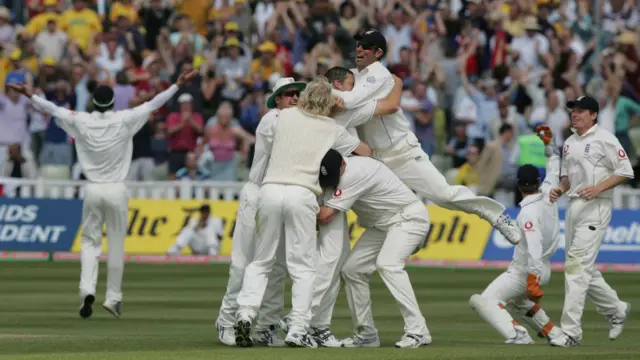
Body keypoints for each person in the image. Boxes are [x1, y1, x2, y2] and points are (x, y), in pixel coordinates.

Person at [8, 69, 198, 319]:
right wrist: (176, 84)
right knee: (116, 244)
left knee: (90, 243)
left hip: (93, 189)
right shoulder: (124, 119)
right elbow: (153, 104)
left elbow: (52, 109)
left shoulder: (81, 120)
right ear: (112, 102)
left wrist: (29, 94)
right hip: (117, 189)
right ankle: (113, 298)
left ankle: (86, 289)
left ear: (93, 103)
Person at [330, 29, 521, 246]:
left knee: (443, 195)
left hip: (402, 152)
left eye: (365, 46)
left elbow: (351, 100)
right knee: (371, 206)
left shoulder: (379, 74)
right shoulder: (353, 75)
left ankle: (495, 215)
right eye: (357, 45)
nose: (359, 49)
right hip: (377, 158)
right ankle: (409, 239)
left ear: (378, 52)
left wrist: (323, 93)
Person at [234, 79, 371, 348]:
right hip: (303, 193)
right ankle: (297, 327)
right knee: (302, 267)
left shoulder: (283, 115)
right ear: (329, 102)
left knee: (261, 261)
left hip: (270, 189)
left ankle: (246, 314)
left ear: (304, 97)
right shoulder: (332, 127)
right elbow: (364, 151)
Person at [279, 67, 405, 347]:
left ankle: (316, 326)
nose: (353, 91)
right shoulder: (332, 123)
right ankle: (301, 319)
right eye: (350, 85)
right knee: (331, 257)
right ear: (335, 90)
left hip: (299, 189)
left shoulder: (293, 118)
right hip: (323, 190)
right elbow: (368, 148)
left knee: (333, 258)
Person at [216, 77, 306, 348]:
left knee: (278, 266)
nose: (294, 98)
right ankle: (226, 320)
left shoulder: (300, 122)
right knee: (244, 263)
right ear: (276, 99)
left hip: (280, 196)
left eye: (297, 94)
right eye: (288, 94)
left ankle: (266, 327)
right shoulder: (272, 118)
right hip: (258, 193)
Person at [316, 149, 431, 348]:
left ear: (343, 164)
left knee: (388, 264)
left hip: (408, 218)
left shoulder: (355, 173)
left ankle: (418, 331)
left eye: (335, 177)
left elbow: (325, 216)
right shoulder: (341, 170)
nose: (334, 182)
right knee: (352, 270)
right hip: (382, 225)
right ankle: (366, 335)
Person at [549, 96, 634, 346]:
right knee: (580, 267)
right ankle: (617, 309)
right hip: (574, 206)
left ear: (594, 115)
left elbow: (625, 170)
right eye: (573, 110)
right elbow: (568, 178)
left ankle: (571, 332)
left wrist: (597, 188)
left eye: (581, 111)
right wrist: (560, 190)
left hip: (596, 206)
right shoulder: (568, 142)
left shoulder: (605, 138)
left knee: (576, 268)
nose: (575, 114)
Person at [469, 126, 564, 345]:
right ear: (538, 183)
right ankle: (555, 334)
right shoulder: (549, 193)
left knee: (484, 300)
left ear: (518, 185)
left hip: (526, 269)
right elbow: (554, 166)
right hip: (543, 267)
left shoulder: (527, 213)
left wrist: (532, 279)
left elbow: (534, 245)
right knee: (520, 303)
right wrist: (549, 145)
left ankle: (517, 334)